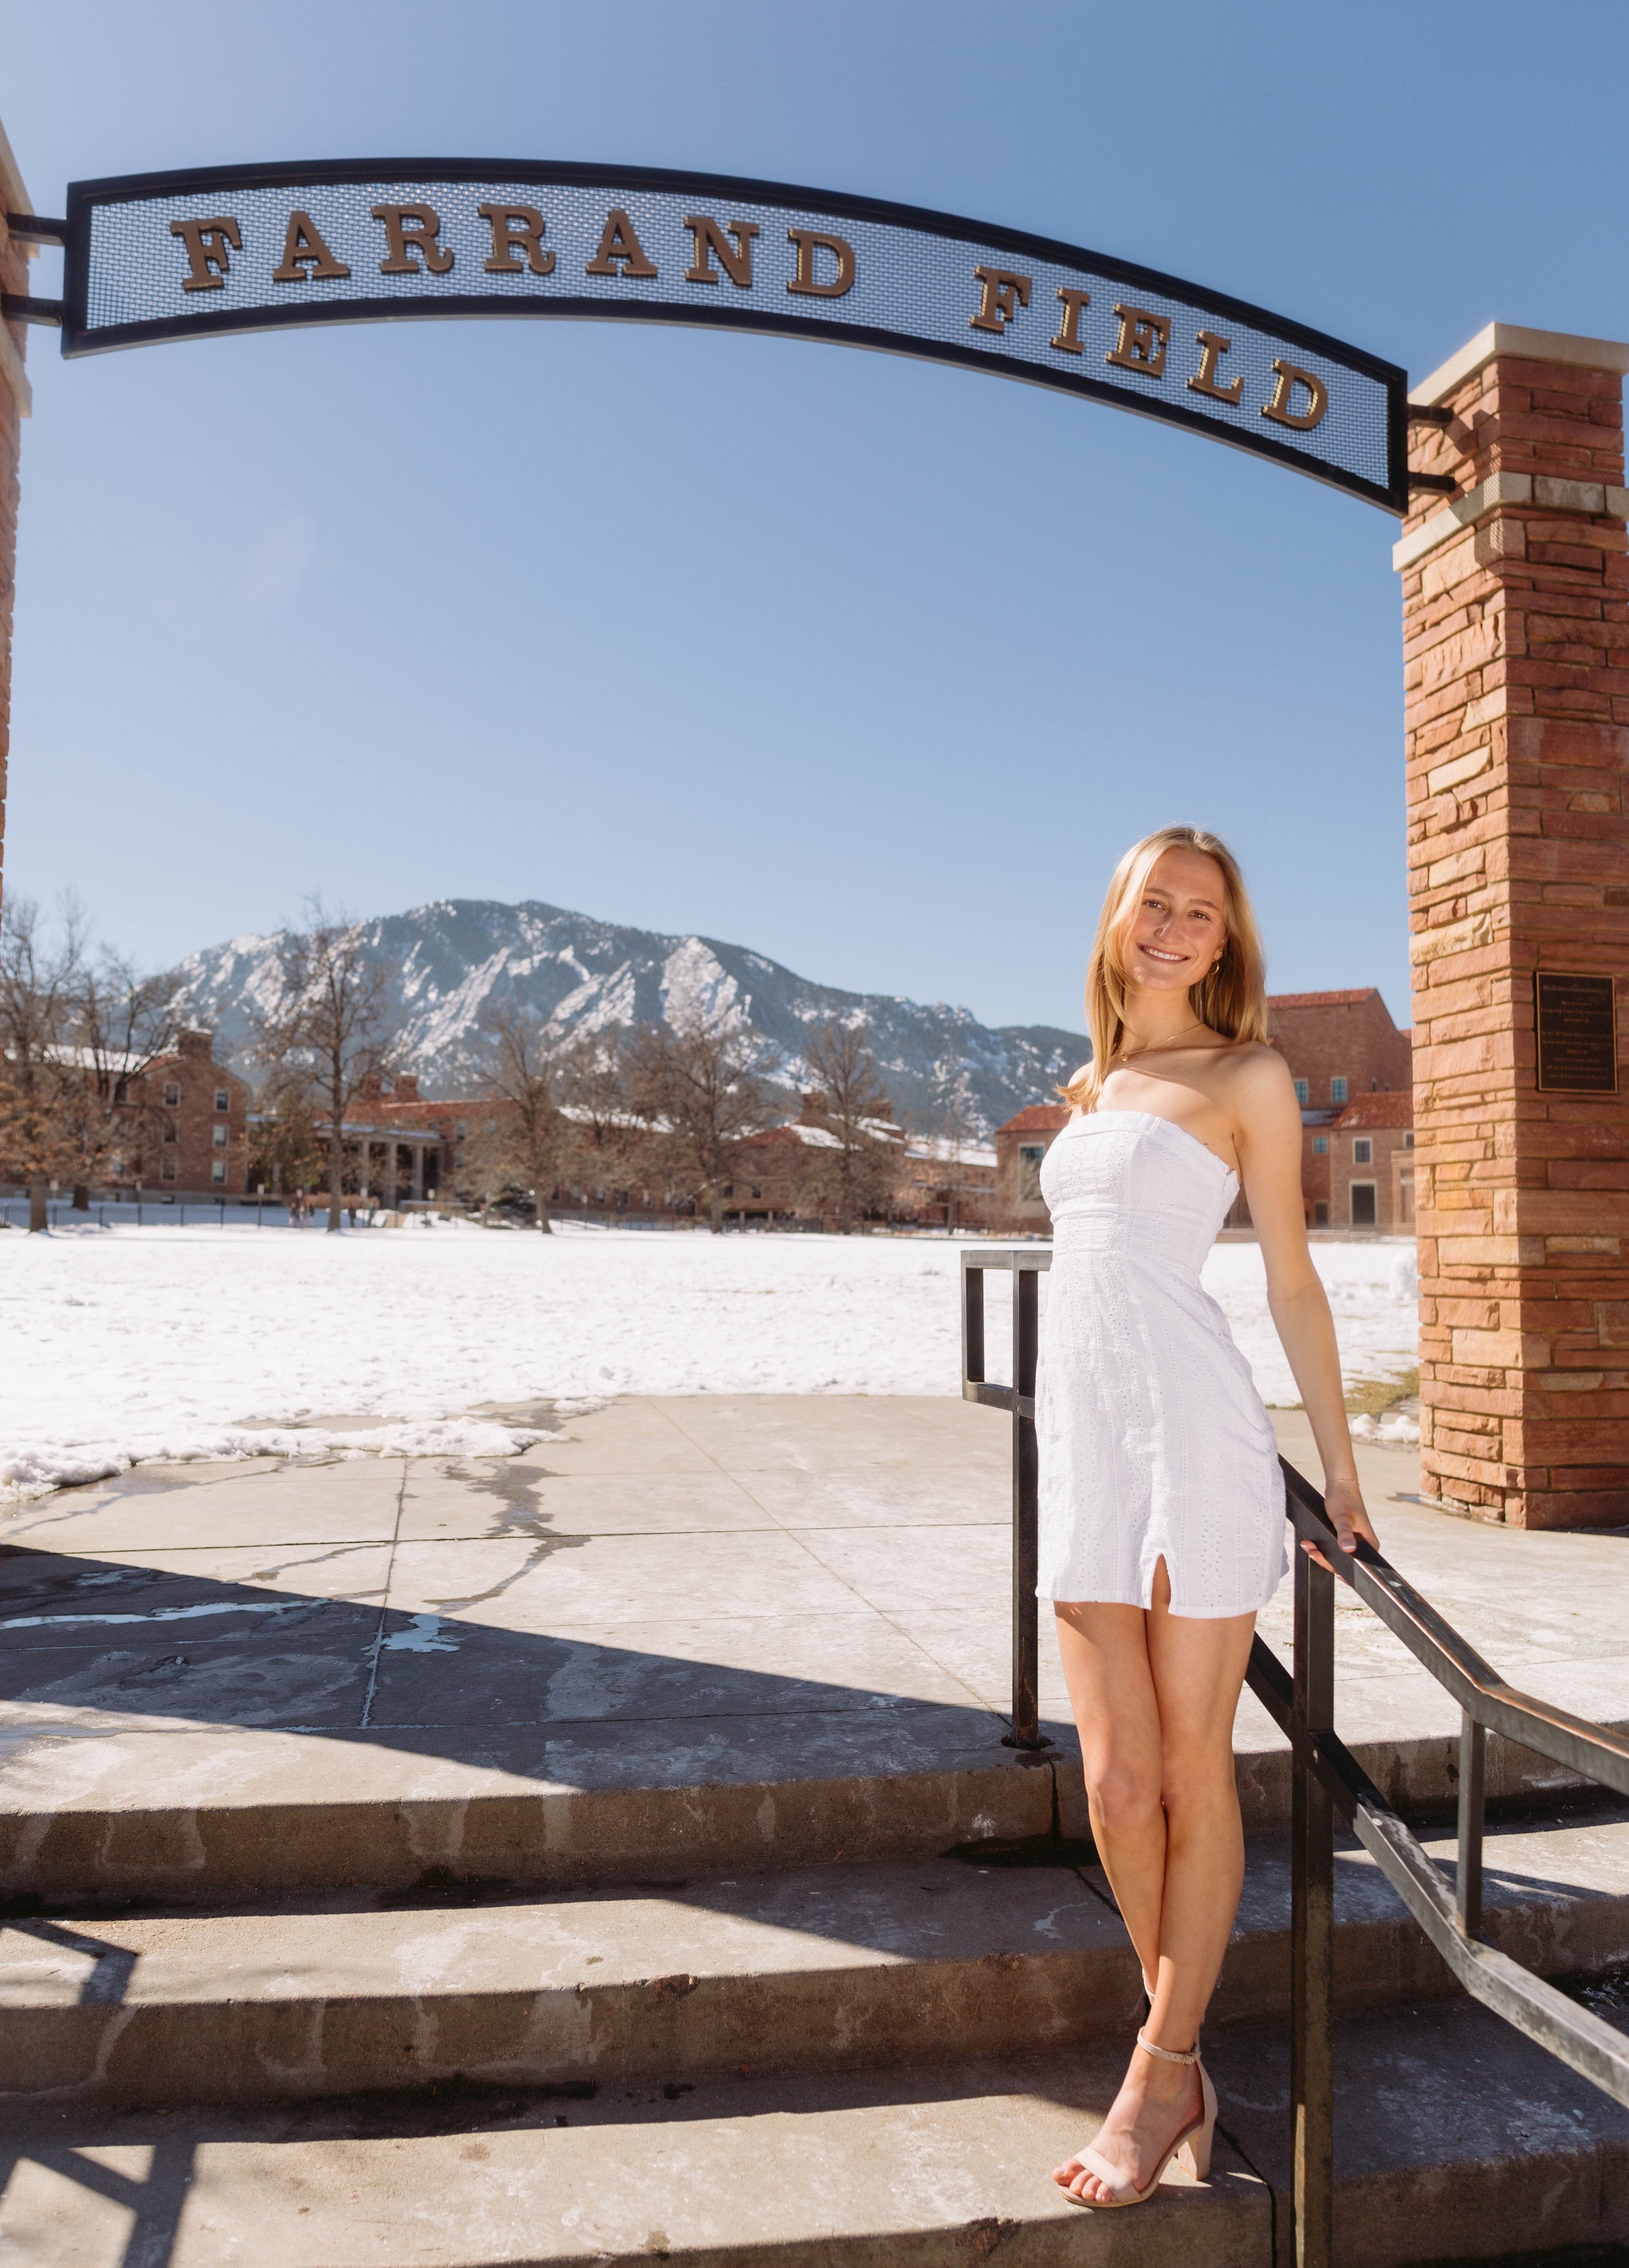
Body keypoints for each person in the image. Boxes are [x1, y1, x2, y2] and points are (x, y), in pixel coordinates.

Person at [1041, 824, 1377, 2210]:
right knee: (1114, 1789)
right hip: (1087, 1458)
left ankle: (1157, 2064)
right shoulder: (1084, 1084)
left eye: (1202, 913)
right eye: (1153, 904)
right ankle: (1171, 2047)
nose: (1175, 927)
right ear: (1115, 918)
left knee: (1188, 1773)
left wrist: (1341, 1468)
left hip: (1195, 1445)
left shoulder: (1247, 1073)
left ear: (1227, 942)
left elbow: (1290, 1282)